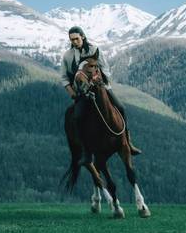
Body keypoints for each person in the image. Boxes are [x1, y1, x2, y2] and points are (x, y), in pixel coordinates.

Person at [60, 26, 142, 166]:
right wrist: (72, 92)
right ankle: (86, 153)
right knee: (78, 116)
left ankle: (128, 142)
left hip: (101, 88)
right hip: (82, 93)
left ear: (83, 37)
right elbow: (64, 78)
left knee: (121, 108)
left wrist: (101, 83)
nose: (74, 42)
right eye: (72, 39)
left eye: (76, 38)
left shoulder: (94, 50)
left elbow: (105, 69)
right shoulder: (67, 56)